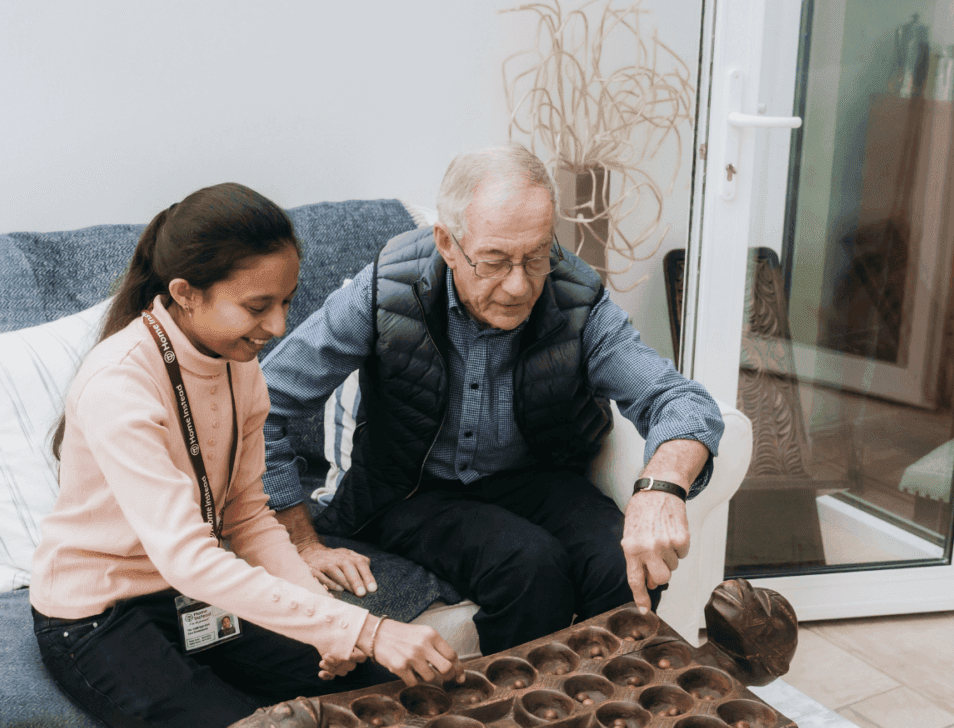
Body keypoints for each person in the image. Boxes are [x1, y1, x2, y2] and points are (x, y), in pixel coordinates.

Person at [30, 183, 464, 728]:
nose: (278, 325)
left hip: (191, 598)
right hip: (98, 617)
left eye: (285, 301)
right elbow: (188, 556)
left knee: (380, 696)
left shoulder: (239, 368)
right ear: (185, 294)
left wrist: (329, 627)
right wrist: (360, 625)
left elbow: (247, 519)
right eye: (258, 307)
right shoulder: (119, 385)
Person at [261, 145, 726, 658]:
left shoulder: (576, 299)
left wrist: (661, 487)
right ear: (447, 242)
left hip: (536, 476)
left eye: (536, 257)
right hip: (411, 487)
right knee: (528, 566)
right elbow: (263, 403)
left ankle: (607, 712)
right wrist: (300, 543)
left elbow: (680, 400)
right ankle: (519, 727)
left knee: (621, 560)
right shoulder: (385, 291)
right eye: (496, 261)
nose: (519, 285)